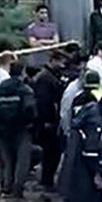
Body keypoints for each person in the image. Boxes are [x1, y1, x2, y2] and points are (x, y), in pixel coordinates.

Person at [59, 75, 102, 202]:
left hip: (77, 155)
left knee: (86, 199)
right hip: (89, 157)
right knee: (93, 200)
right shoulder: (96, 108)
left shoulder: (78, 100)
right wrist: (97, 171)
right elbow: (93, 142)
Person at [0, 61, 36, 201]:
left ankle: (5, 187)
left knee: (6, 160)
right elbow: (30, 110)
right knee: (22, 161)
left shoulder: (0, 89)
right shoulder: (25, 90)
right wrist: (31, 125)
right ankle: (17, 190)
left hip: (2, 130)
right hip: (21, 130)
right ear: (23, 73)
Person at [31, 51, 65, 192]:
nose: (62, 65)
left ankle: (47, 179)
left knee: (51, 153)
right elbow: (44, 101)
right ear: (53, 60)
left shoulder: (48, 77)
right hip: (47, 121)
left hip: (48, 120)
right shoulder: (46, 79)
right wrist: (48, 120)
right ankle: (47, 180)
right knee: (51, 152)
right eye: (61, 62)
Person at [25, 5, 61, 69]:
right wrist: (49, 43)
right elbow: (33, 44)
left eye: (46, 13)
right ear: (36, 13)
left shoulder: (52, 26)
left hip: (51, 59)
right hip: (37, 60)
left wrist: (41, 41)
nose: (44, 15)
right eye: (42, 13)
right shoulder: (32, 28)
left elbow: (56, 41)